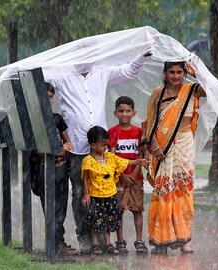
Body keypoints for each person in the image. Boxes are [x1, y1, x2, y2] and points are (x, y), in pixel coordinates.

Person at [47, 49, 152, 252]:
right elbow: (39, 75)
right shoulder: (63, 75)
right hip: (77, 146)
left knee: (106, 191)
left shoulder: (102, 72)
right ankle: (85, 236)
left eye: (89, 55)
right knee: (81, 192)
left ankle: (104, 238)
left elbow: (129, 71)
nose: (85, 60)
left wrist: (143, 54)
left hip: (100, 148)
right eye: (81, 56)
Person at [141, 61, 206, 255]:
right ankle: (161, 239)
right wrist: (155, 146)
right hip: (162, 145)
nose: (176, 76)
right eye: (172, 72)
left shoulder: (192, 89)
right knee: (163, 190)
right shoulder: (157, 94)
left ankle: (185, 239)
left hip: (185, 144)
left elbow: (213, 91)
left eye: (179, 72)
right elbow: (151, 122)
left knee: (183, 190)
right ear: (165, 73)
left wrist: (197, 74)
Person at [81, 125, 147, 255]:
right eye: (102, 145)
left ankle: (108, 243)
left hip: (110, 195)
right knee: (95, 220)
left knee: (108, 220)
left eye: (106, 145)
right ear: (93, 145)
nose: (105, 148)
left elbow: (124, 161)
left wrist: (138, 161)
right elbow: (85, 178)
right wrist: (86, 194)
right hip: (95, 196)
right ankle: (94, 244)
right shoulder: (88, 161)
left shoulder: (110, 157)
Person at [28, 82, 77, 255]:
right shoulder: (34, 121)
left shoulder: (57, 119)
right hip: (43, 170)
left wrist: (62, 149)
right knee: (49, 206)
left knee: (61, 208)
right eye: (45, 96)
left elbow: (67, 142)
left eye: (50, 97)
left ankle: (59, 241)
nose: (48, 100)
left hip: (61, 169)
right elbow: (38, 148)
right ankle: (55, 242)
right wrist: (55, 150)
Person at [108, 96, 148, 255]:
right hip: (119, 179)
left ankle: (139, 240)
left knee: (137, 209)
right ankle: (120, 241)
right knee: (119, 210)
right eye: (121, 111)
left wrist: (135, 173)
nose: (124, 114)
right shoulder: (112, 132)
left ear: (134, 113)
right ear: (115, 113)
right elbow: (112, 156)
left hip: (136, 179)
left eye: (128, 111)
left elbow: (141, 153)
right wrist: (122, 175)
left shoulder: (139, 132)